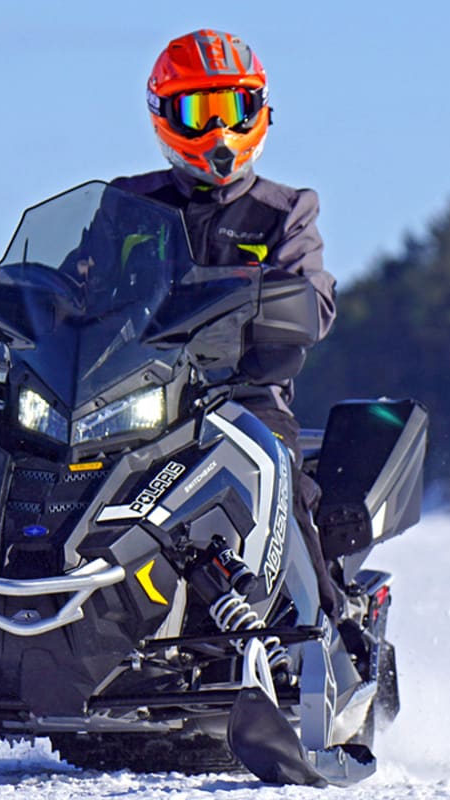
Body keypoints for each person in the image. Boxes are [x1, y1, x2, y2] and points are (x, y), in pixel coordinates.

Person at [111, 29, 341, 618]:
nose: (219, 132)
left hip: (243, 395)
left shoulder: (286, 210)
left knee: (279, 478)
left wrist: (268, 314)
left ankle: (326, 629)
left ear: (260, 111)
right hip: (131, 396)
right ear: (165, 116)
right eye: (198, 112)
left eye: (233, 110)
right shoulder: (127, 205)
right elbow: (74, 281)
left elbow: (313, 300)